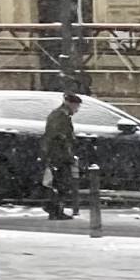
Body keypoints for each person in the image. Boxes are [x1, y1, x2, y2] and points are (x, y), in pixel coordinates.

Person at [41, 89, 82, 219]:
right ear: (70, 104)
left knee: (59, 183)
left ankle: (54, 208)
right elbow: (55, 136)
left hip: (59, 155)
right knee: (60, 184)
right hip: (58, 156)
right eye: (76, 106)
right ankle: (54, 209)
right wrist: (65, 148)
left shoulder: (62, 115)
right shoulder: (59, 116)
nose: (77, 109)